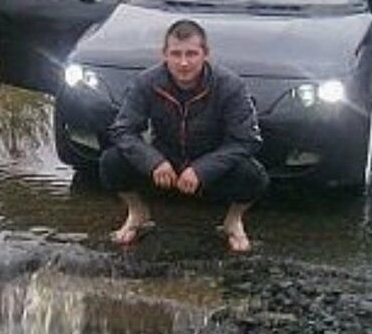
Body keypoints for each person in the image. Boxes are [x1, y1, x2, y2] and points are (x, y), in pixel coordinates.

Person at [99, 18, 269, 253]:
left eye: (191, 54)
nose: (184, 62)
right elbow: (122, 130)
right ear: (164, 55)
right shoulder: (146, 82)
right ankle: (137, 212)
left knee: (253, 175)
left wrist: (203, 169)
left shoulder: (231, 85)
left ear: (205, 54)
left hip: (211, 164)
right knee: (111, 161)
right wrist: (152, 161)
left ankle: (233, 220)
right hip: (165, 163)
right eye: (176, 54)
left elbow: (247, 139)